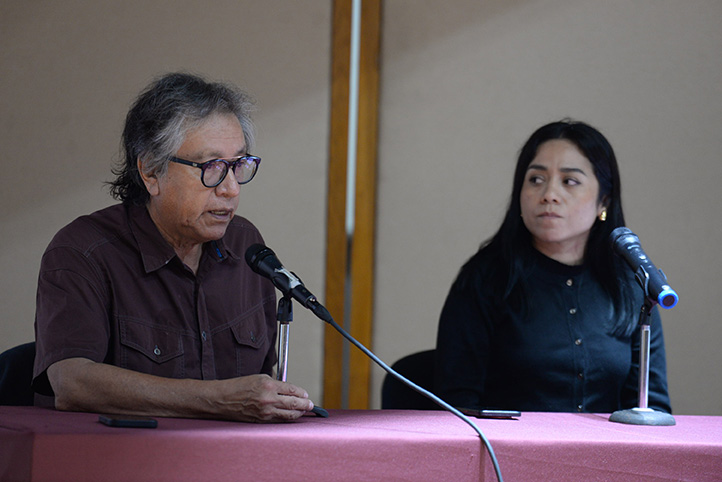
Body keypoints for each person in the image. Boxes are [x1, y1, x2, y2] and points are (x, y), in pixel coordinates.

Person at [32, 72, 315, 422]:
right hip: (123, 454)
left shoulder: (246, 246)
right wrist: (217, 399)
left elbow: (257, 384)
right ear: (151, 172)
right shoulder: (84, 251)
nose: (231, 189)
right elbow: (71, 382)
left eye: (238, 165)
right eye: (212, 167)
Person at [434, 119, 672, 414]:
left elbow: (652, 407)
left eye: (569, 181)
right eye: (536, 179)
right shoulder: (485, 279)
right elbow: (456, 403)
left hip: (608, 446)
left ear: (604, 202)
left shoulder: (630, 285)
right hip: (502, 443)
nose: (549, 194)